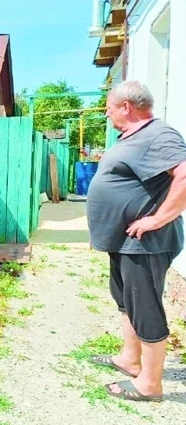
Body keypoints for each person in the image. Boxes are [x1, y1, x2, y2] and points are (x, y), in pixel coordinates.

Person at [86, 80, 186, 402]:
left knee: (145, 308)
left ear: (126, 107)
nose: (106, 113)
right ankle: (131, 360)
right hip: (125, 241)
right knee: (126, 301)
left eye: (109, 107)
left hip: (146, 243)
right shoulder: (133, 137)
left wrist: (158, 219)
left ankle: (150, 385)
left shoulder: (159, 134)